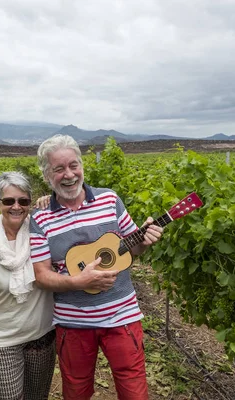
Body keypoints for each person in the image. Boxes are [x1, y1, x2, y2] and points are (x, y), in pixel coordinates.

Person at [29, 134, 163, 400]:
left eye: (73, 165)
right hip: (73, 323)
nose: (69, 175)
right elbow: (41, 276)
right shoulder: (40, 218)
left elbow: (131, 247)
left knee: (134, 390)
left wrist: (145, 241)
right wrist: (79, 282)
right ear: (47, 175)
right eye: (59, 169)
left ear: (82, 166)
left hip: (123, 318)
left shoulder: (110, 200)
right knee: (76, 391)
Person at [0, 171, 55, 400]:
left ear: (30, 203)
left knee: (38, 397)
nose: (16, 207)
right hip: (2, 340)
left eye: (23, 201)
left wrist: (51, 199)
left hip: (41, 335)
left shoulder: (41, 230)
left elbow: (69, 213)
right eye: (8, 201)